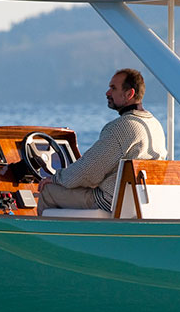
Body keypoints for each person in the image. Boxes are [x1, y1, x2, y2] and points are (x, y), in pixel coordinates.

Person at [37, 68, 166, 214]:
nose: (107, 93)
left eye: (113, 88)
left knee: (48, 191)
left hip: (109, 201)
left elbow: (87, 172)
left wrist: (56, 178)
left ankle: (40, 230)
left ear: (129, 94)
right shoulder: (154, 125)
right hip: (139, 203)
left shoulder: (123, 127)